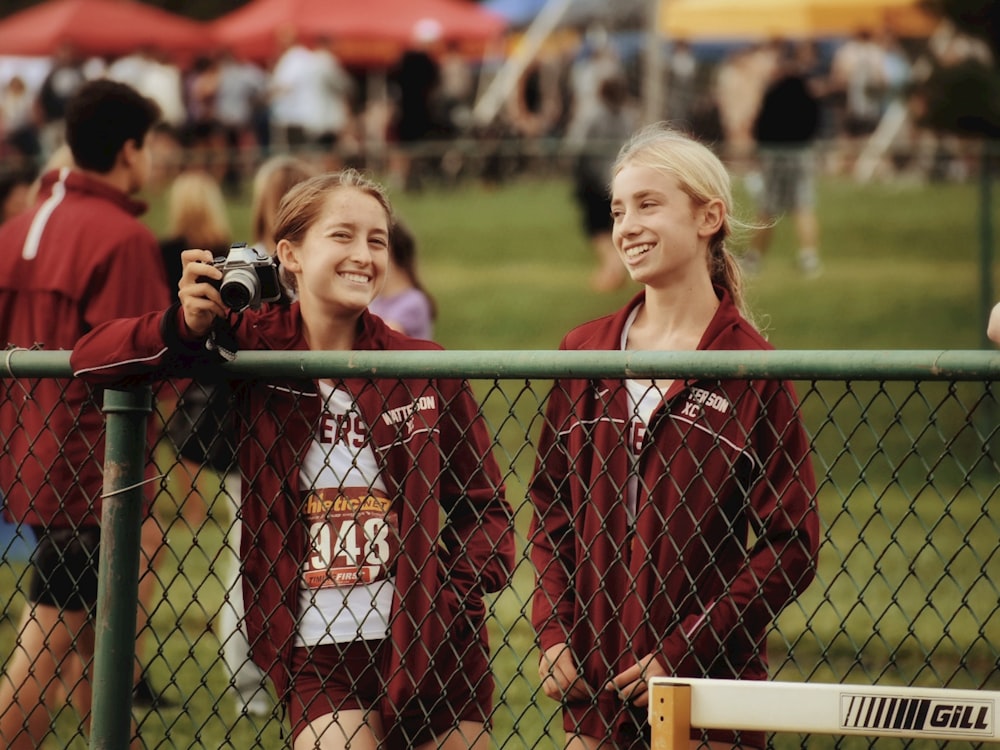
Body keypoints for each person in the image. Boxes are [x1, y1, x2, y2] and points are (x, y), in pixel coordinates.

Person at [71, 168, 516, 749]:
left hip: (436, 645)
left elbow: (486, 509)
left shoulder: (421, 365)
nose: (364, 255)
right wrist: (182, 325)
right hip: (319, 650)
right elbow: (92, 360)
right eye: (342, 236)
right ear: (290, 254)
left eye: (376, 240)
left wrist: (448, 596)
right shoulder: (252, 349)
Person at [528, 123, 821, 750]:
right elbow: (551, 509)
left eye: (648, 204)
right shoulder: (583, 353)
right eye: (617, 210)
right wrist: (553, 632)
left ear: (708, 216)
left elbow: (791, 545)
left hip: (708, 693)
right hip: (596, 696)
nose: (626, 225)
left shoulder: (751, 368)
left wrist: (683, 651)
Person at [0, 79, 169, 748]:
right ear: (129, 150)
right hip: (93, 471)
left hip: (30, 455)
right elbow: (142, 355)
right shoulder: (120, 236)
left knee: (92, 642)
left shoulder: (17, 229)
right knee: (43, 649)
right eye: (150, 146)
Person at [744, 42, 824, 278]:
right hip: (801, 154)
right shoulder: (808, 91)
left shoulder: (772, 91)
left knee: (767, 207)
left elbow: (760, 125)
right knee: (803, 205)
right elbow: (815, 124)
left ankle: (754, 259)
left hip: (773, 155)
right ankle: (809, 257)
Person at [568, 75, 638, 293]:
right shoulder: (627, 116)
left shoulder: (592, 114)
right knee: (612, 226)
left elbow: (575, 144)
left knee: (595, 229)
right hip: (620, 179)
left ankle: (613, 269)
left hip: (593, 179)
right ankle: (612, 269)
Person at [369, 219, 437, 340]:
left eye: (376, 244)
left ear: (390, 253)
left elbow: (379, 339)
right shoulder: (377, 301)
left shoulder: (414, 301)